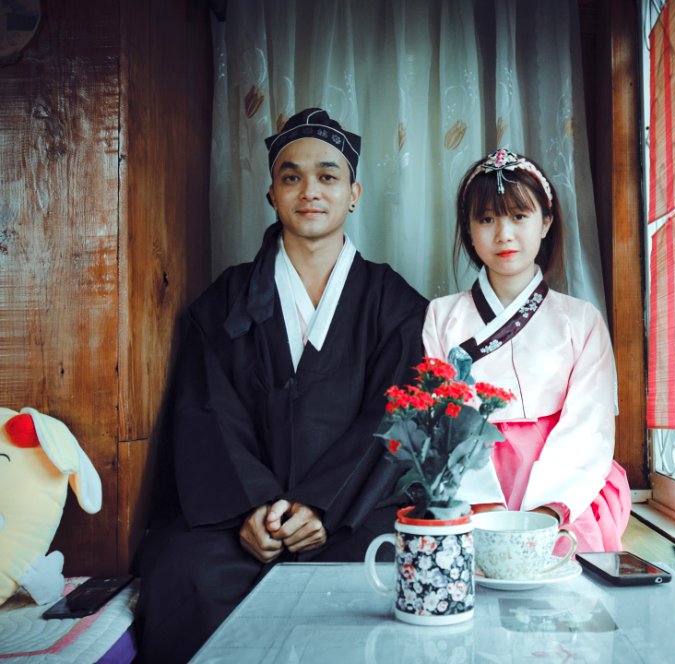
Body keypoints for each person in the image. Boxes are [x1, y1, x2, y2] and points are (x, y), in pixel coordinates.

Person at [135, 108, 427, 663]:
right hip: (243, 524)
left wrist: (321, 507)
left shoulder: (395, 303)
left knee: (389, 580)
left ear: (354, 192)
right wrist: (254, 509)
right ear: (272, 193)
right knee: (183, 575)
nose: (310, 191)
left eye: (328, 176)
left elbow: (395, 416)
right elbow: (208, 412)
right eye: (291, 177)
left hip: (352, 515)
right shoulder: (224, 300)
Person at [422, 147, 631, 554]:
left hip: (566, 477)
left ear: (546, 221)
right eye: (486, 219)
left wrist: (548, 509)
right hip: (472, 477)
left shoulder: (581, 319)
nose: (504, 234)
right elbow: (444, 418)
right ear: (468, 228)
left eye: (519, 216)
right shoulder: (440, 316)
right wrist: (481, 503)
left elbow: (590, 422)